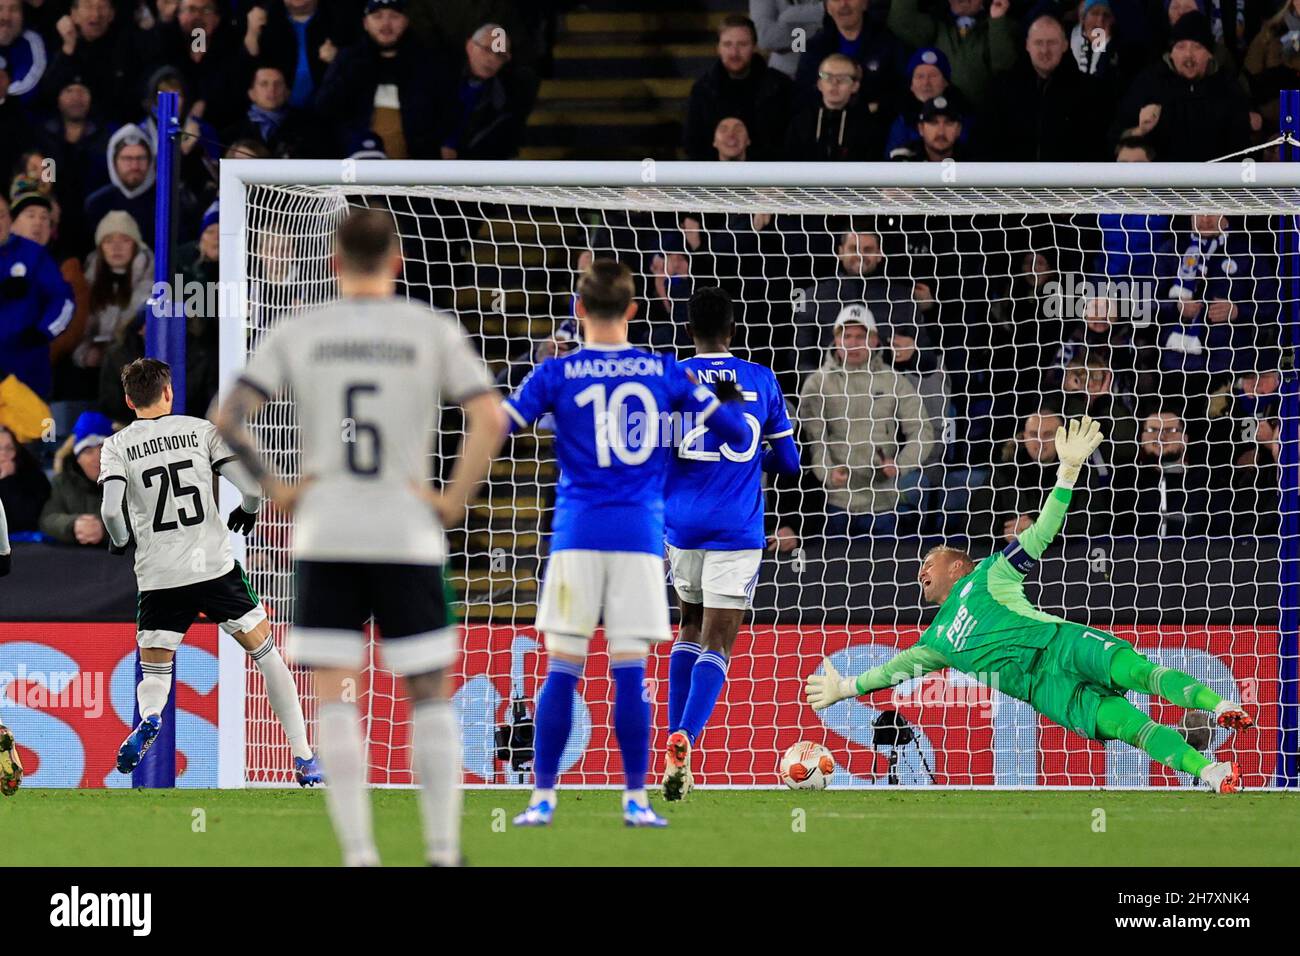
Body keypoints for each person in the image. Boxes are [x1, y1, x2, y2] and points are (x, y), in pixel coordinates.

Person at [215, 208, 505, 867]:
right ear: (398, 263)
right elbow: (489, 416)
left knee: (335, 698)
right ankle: (441, 851)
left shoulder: (300, 329)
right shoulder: (430, 328)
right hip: (406, 532)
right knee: (429, 693)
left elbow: (228, 417)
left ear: (332, 263)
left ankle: (360, 855)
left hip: (327, 532)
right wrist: (453, 501)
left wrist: (279, 487)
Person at [807, 416, 1252, 794]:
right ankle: (1210, 772)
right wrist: (844, 689)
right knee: (1130, 728)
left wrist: (1068, 472)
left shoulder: (990, 572)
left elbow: (1041, 532)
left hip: (1061, 643)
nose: (920, 571)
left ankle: (1218, 707)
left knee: (1140, 673)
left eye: (929, 561)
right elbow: (891, 671)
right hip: (1046, 691)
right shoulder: (935, 640)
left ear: (959, 567)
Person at [504, 259, 749, 829]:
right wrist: (723, 398)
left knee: (562, 668)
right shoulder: (665, 371)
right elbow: (737, 432)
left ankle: (542, 799)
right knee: (629, 673)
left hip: (576, 536)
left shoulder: (558, 373)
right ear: (633, 311)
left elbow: (500, 426)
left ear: (580, 310)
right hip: (639, 538)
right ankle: (635, 801)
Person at [101, 358, 321, 789]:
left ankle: (148, 719)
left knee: (155, 673)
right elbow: (254, 487)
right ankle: (305, 757)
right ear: (169, 393)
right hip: (213, 569)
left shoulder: (117, 446)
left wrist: (121, 537)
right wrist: (248, 511)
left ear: (129, 400)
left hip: (160, 575)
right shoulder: (201, 431)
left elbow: (111, 510)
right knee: (266, 655)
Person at [661, 287, 800, 801]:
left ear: (689, 330)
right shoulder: (761, 379)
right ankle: (687, 739)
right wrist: (745, 460)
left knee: (689, 626)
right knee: (719, 640)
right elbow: (789, 466)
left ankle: (673, 744)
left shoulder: (670, 380)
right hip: (735, 528)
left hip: (681, 526)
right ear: (733, 329)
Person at [798, 305, 934, 538]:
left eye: (861, 336)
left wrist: (901, 465)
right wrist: (827, 473)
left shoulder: (894, 380)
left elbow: (922, 430)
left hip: (883, 504)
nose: (853, 343)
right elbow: (813, 440)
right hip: (834, 503)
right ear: (836, 340)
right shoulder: (816, 384)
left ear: (874, 340)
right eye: (847, 336)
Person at [684, 14, 793, 160]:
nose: (734, 53)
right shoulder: (702, 90)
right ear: (718, 48)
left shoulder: (781, 87)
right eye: (728, 44)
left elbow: (791, 144)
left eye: (742, 44)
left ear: (754, 47)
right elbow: (694, 146)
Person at [0, 192, 76, 400]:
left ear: (10, 219)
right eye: (31, 215)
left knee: (32, 428)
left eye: (1, 215)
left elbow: (63, 300)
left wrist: (44, 331)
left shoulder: (33, 255)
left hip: (27, 367)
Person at [39, 409, 111, 546]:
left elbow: (144, 519)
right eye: (88, 451)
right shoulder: (63, 482)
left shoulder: (130, 481)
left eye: (103, 449)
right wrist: (74, 525)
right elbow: (47, 519)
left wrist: (106, 529)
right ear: (78, 458)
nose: (97, 458)